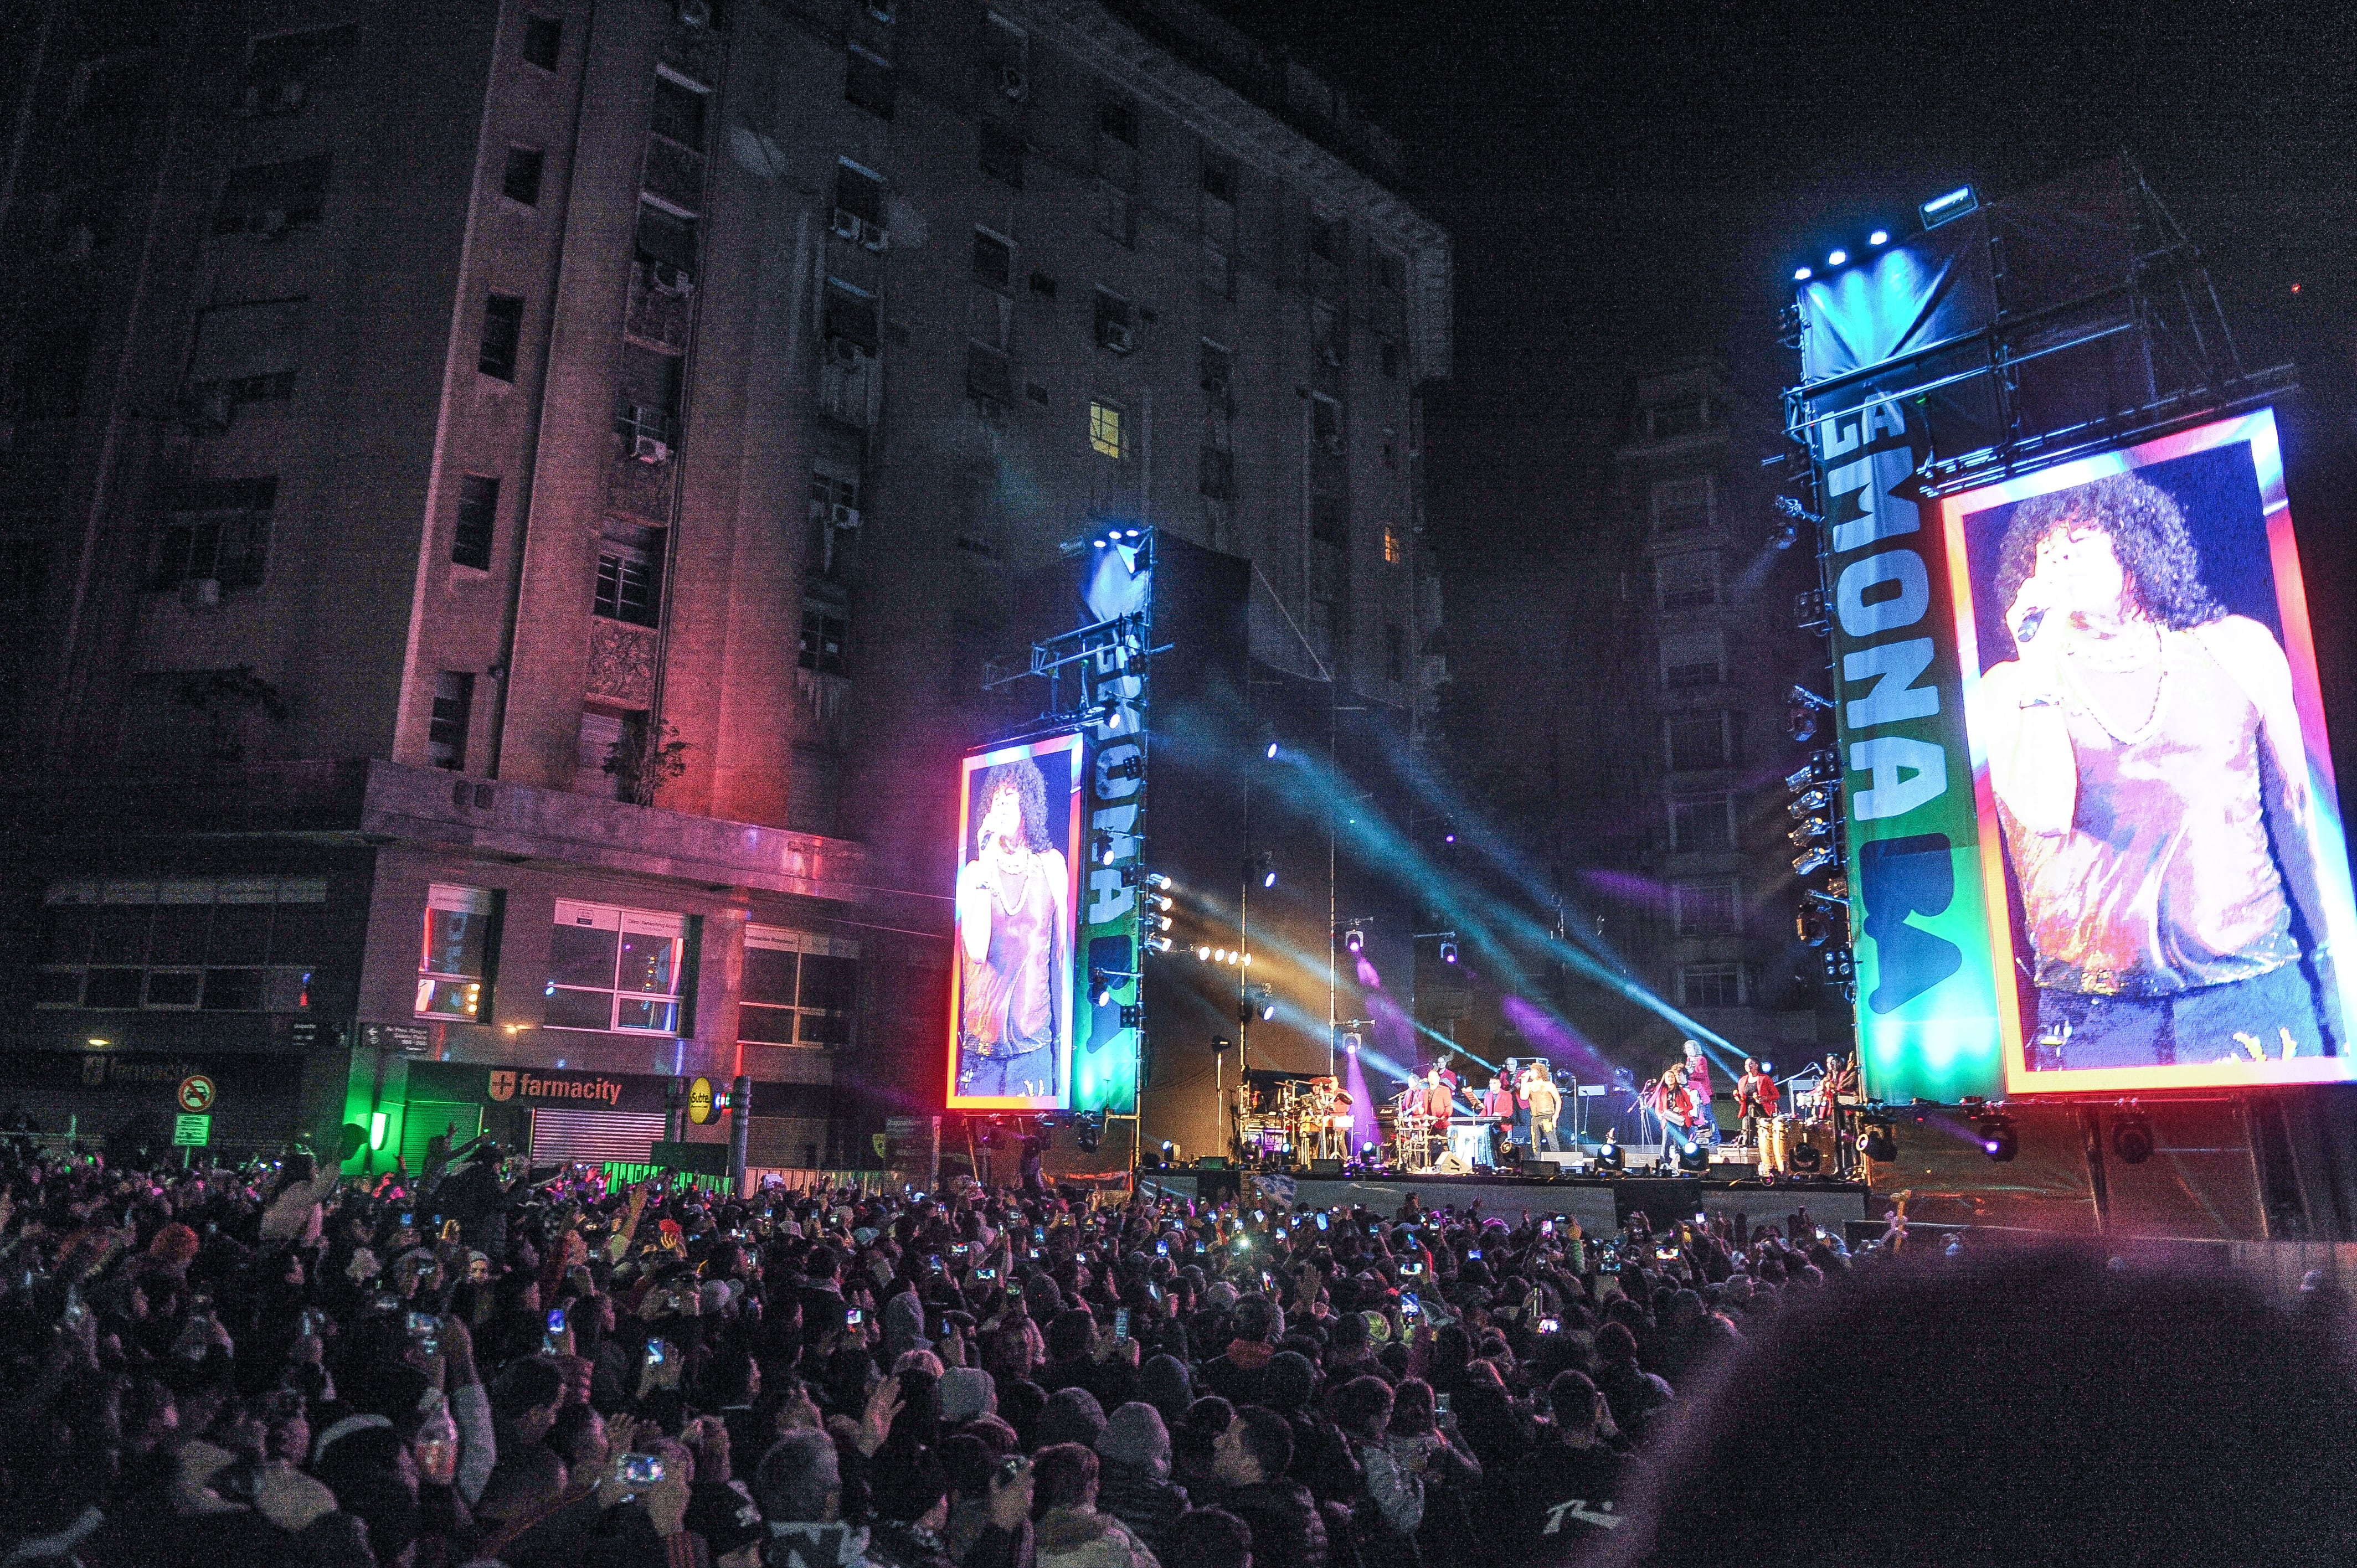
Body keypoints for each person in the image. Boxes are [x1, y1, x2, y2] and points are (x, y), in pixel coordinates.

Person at [1976, 472, 2343, 1068]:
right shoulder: (2011, 686)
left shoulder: (2236, 648)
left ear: (2135, 545)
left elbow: (2309, 826)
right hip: (2095, 1014)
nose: (2059, 553)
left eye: (2081, 535)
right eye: (2046, 545)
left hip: (2250, 989)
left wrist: (2334, 980)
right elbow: (2043, 814)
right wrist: (2037, 664)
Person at [956, 756, 1073, 1099]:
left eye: (1012, 796)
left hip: (1034, 1046)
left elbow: (1061, 958)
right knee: (980, 1150)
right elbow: (976, 950)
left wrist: (1064, 1046)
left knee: (1031, 1147)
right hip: (982, 1053)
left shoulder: (1051, 865)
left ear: (1029, 806)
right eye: (996, 798)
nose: (1002, 804)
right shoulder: (975, 874)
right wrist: (985, 857)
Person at [1505, 1371, 1638, 1565]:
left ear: (1554, 1417)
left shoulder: (1531, 1470)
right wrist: (1614, 1433)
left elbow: (1524, 1539)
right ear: (1599, 1412)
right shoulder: (1624, 1468)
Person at [1210, 1407, 1327, 1568]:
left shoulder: (1252, 1525)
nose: (1217, 1442)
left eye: (1228, 1443)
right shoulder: (1292, 1505)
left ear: (1252, 1465)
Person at [1732, 1059, 1779, 1149]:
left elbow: (1776, 1095)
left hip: (1762, 1111)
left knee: (1764, 1131)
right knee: (1747, 1129)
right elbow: (1742, 1100)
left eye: (1751, 1064)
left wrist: (1765, 1098)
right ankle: (1749, 1148)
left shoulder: (1764, 1079)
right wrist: (1737, 1097)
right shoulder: (1742, 1080)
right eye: (1746, 1064)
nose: (1748, 1066)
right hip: (1749, 1111)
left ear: (1757, 1065)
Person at [1519, 1061, 1563, 1156]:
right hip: (1535, 1117)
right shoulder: (1529, 1085)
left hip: (1547, 1117)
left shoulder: (1548, 1085)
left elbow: (1558, 1101)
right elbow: (1523, 1097)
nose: (1531, 1073)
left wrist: (1555, 1117)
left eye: (1533, 1071)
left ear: (1540, 1072)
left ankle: (1557, 1162)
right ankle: (1537, 1162)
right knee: (1535, 1143)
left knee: (1552, 1141)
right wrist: (1523, 1082)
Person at [1677, 1043, 1716, 1145]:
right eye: (1686, 1048)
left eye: (1690, 1048)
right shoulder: (1689, 1060)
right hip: (1692, 1092)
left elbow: (1703, 1074)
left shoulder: (1701, 1059)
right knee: (1696, 1116)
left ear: (1695, 1049)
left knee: (1707, 1115)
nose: (1688, 1050)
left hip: (1703, 1091)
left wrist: (1690, 1073)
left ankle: (1715, 1137)